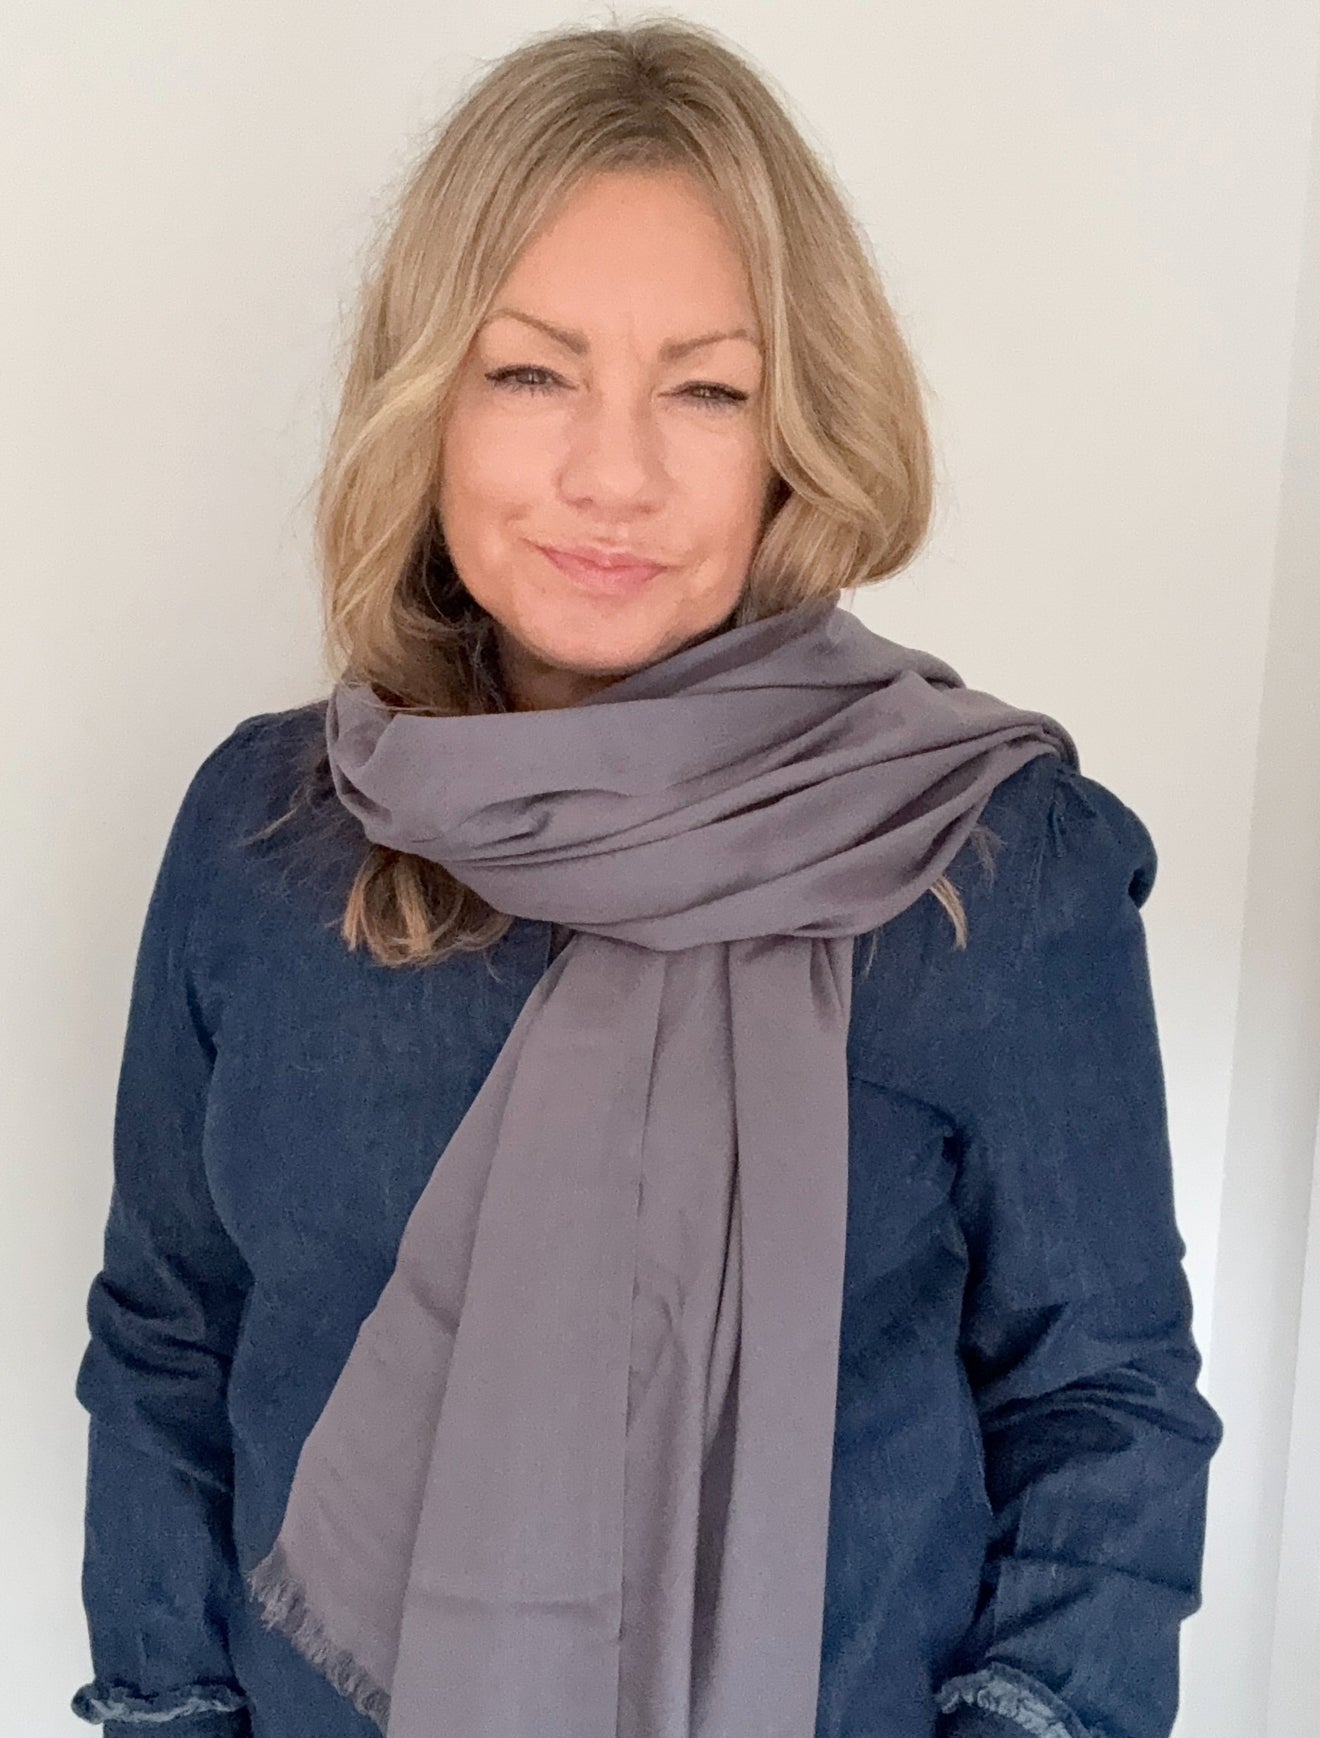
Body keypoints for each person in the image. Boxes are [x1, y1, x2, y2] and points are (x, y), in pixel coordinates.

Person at [70, 17, 1222, 1738]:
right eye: (531, 371)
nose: (613, 473)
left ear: (795, 429)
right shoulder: (264, 835)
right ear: (426, 396)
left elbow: (1103, 1408)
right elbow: (171, 1339)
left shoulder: (983, 860)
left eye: (706, 387)